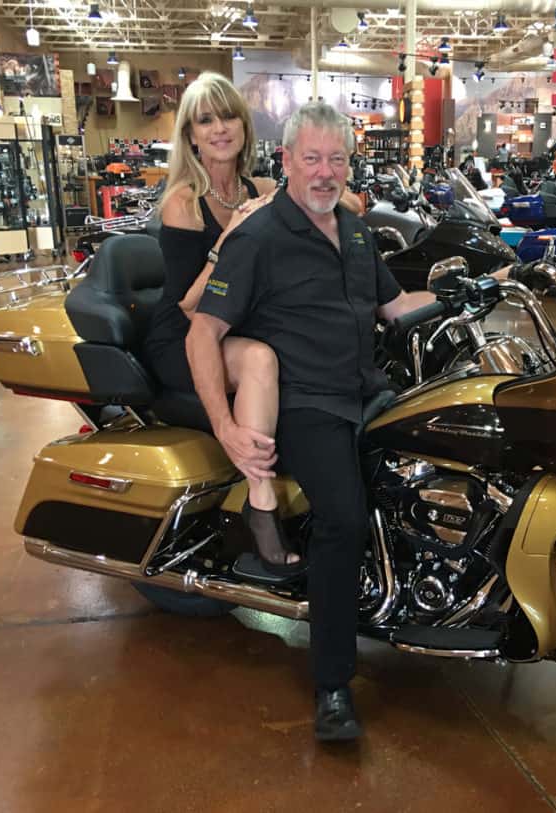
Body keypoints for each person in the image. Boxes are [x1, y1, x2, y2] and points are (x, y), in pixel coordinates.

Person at [185, 102, 440, 742]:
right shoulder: (259, 237)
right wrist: (225, 425)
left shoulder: (355, 232)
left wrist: (482, 286)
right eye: (312, 159)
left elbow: (394, 306)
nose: (325, 173)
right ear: (288, 161)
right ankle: (332, 685)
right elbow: (203, 332)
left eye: (337, 159)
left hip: (366, 391)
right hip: (307, 404)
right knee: (343, 519)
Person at [143, 71, 302, 573]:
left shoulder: (262, 188)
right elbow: (192, 304)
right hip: (187, 335)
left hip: (237, 323)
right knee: (260, 358)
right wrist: (228, 237)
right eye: (205, 120)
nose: (219, 128)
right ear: (190, 134)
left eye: (228, 115)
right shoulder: (184, 202)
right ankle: (261, 509)